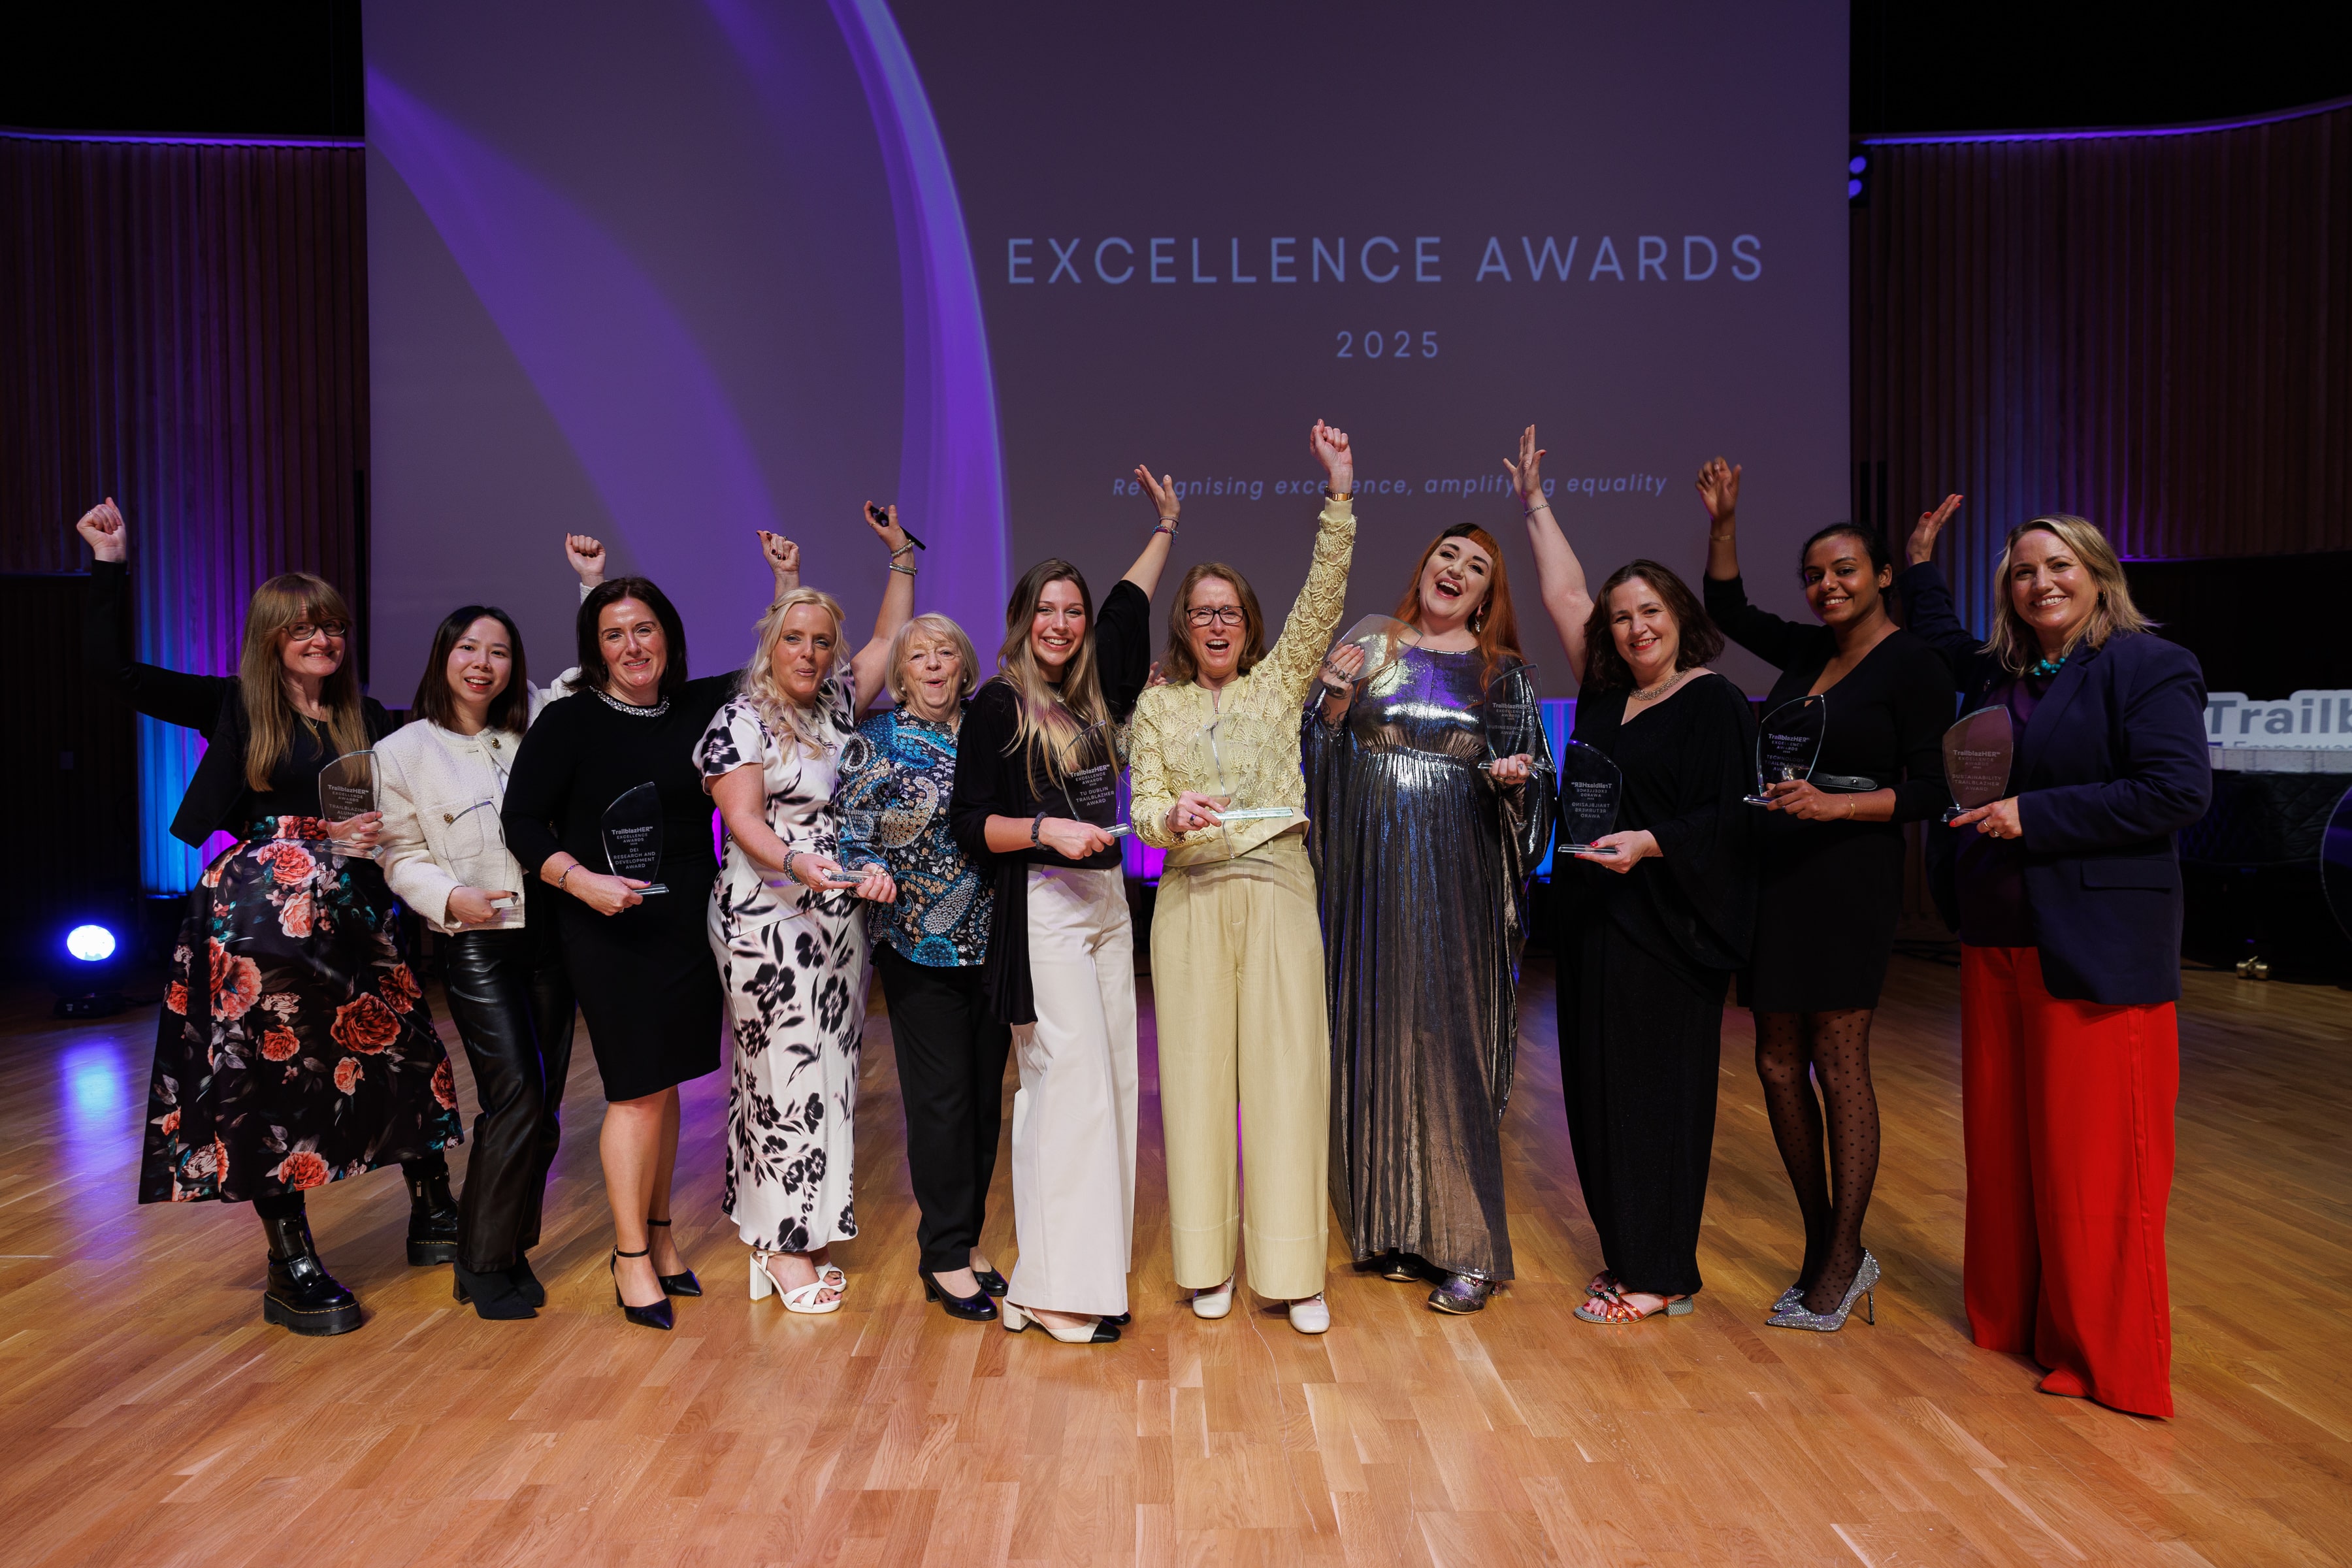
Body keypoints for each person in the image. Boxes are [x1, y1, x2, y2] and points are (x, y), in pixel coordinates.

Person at [77, 497, 462, 1337]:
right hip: (258, 923)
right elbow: (112, 673)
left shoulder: (372, 719)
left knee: (403, 1053)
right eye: (302, 631)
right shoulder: (234, 706)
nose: (321, 642)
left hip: (355, 913)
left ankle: (436, 1213)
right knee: (269, 1080)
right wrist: (109, 565)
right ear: (271, 642)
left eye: (331, 629)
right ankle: (290, 1261)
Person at [1901, 501, 2208, 1417]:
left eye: (2059, 565)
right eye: (2025, 572)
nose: (2042, 582)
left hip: (2094, 951)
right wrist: (1918, 564)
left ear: (2099, 573)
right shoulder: (2004, 672)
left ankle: (2109, 1361)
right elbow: (1944, 632)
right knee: (2008, 1151)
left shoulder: (2150, 666)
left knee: (2095, 1165)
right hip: (1998, 940)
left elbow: (2176, 791)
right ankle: (2019, 1319)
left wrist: (2037, 815)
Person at [501, 528, 816, 1330]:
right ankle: (630, 1254)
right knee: (634, 1092)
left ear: (667, 637)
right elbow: (523, 822)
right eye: (613, 634)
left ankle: (665, 1237)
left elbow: (773, 665)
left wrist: (787, 581)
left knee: (669, 1085)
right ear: (595, 648)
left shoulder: (699, 707)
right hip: (604, 923)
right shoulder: (568, 721)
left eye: (644, 629)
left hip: (684, 919)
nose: (631, 644)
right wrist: (583, 881)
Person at [1695, 459, 1955, 1330]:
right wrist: (1725, 519)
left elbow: (1932, 789)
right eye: (1813, 574)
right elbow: (1728, 613)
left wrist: (1838, 805)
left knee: (1839, 1062)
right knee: (1775, 1063)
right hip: (1778, 867)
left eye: (1845, 569)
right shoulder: (1809, 650)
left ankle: (1841, 1256)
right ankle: (1828, 1243)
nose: (1826, 585)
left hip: (1849, 872)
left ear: (1883, 576)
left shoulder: (1913, 665)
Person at [1512, 428, 1756, 1328]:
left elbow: (1731, 820)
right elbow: (1565, 591)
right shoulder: (1609, 696)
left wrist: (1651, 843)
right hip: (1594, 923)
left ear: (1681, 616)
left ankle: (1663, 1274)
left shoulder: (1714, 701)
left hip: (1668, 929)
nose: (1634, 626)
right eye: (1621, 617)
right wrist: (1536, 499)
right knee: (1598, 1097)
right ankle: (1628, 1255)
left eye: (1649, 611)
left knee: (1657, 1100)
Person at [1301, 464, 1553, 1316]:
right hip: (1371, 884)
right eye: (1446, 556)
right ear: (1423, 569)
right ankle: (1394, 1231)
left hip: (1454, 884)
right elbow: (1319, 750)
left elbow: (1535, 778)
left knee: (1447, 1047)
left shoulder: (1504, 674)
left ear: (1487, 595)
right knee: (1375, 1038)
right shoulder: (1372, 644)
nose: (1456, 570)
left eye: (1475, 566)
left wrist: (1515, 779)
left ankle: (1470, 1249)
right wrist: (1331, 706)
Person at [1128, 421, 1358, 1335]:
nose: (1216, 623)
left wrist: (1338, 492)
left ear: (1250, 626)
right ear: (1183, 628)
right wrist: (1166, 821)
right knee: (1192, 1083)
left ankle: (1294, 1273)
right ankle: (1205, 1262)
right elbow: (1143, 803)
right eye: (1201, 612)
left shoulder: (1278, 683)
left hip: (1274, 892)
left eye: (1229, 611)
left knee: (1287, 1078)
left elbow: (1324, 595)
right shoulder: (1158, 704)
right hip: (1188, 901)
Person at [949, 476, 1173, 1344]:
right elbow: (971, 824)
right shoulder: (999, 706)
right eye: (1047, 609)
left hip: (1107, 908)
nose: (1063, 623)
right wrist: (1047, 831)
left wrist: (1167, 525)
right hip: (1041, 908)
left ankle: (1089, 1274)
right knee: (1065, 1088)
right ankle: (1048, 1293)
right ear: (1022, 618)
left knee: (1112, 1084)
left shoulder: (1095, 694)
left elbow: (1131, 598)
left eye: (1072, 611)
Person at [695, 529, 913, 1315]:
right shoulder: (740, 720)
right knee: (777, 1078)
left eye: (824, 642)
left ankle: (808, 1228)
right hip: (766, 917)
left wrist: (902, 559)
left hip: (836, 921)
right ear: (771, 641)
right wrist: (797, 865)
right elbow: (748, 825)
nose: (811, 653)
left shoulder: (836, 706)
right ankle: (778, 1243)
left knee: (830, 1077)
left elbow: (890, 637)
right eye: (796, 638)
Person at [376, 604, 578, 1321]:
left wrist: (588, 587)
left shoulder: (537, 730)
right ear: (443, 657)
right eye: (468, 648)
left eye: (498, 651)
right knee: (515, 1094)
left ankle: (508, 1246)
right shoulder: (402, 751)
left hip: (551, 934)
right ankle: (482, 1259)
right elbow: (399, 854)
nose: (483, 663)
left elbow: (589, 680)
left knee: (545, 1106)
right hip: (478, 941)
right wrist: (450, 897)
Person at [834, 613, 1011, 1321]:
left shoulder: (992, 728)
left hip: (997, 945)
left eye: (946, 653)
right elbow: (849, 831)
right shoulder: (873, 739)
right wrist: (870, 869)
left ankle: (963, 1239)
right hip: (917, 945)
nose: (934, 665)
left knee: (983, 1101)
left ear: (965, 667)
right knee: (941, 1104)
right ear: (901, 671)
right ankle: (942, 1253)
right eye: (918, 656)